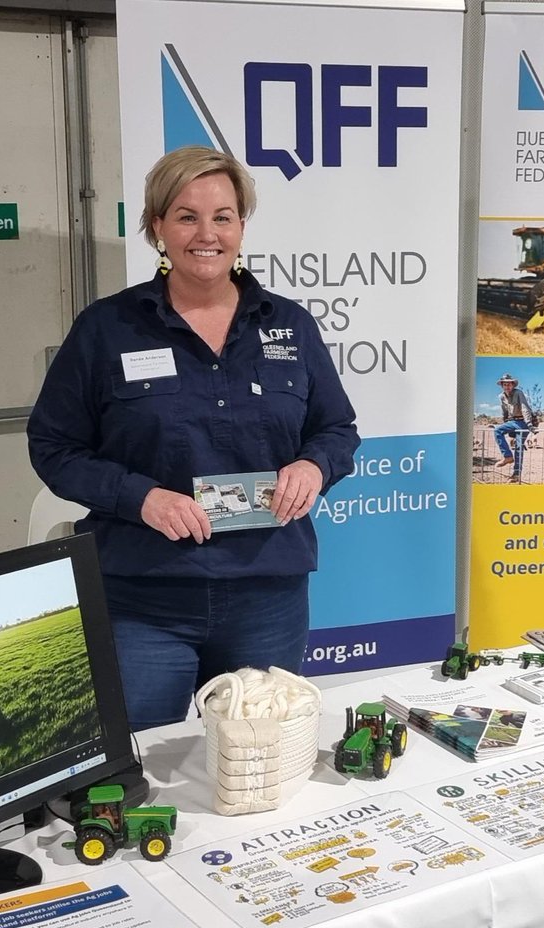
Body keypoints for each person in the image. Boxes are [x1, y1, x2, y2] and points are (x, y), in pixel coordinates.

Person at [27, 147, 360, 730]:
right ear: (157, 227)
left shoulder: (289, 324)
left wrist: (313, 466)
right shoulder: (108, 329)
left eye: (223, 217)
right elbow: (54, 448)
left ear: (241, 226)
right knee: (139, 772)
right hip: (143, 599)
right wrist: (142, 497)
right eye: (186, 216)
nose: (206, 234)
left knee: (258, 765)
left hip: (267, 596)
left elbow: (336, 429)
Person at [492, 372, 535, 475]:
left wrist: (529, 423)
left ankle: (516, 473)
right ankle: (508, 456)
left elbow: (525, 408)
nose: (507, 386)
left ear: (513, 385)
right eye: (505, 384)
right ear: (502, 386)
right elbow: (504, 410)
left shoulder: (518, 393)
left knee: (519, 447)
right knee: (498, 430)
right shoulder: (501, 396)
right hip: (512, 421)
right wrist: (505, 422)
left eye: (509, 384)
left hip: (523, 422)